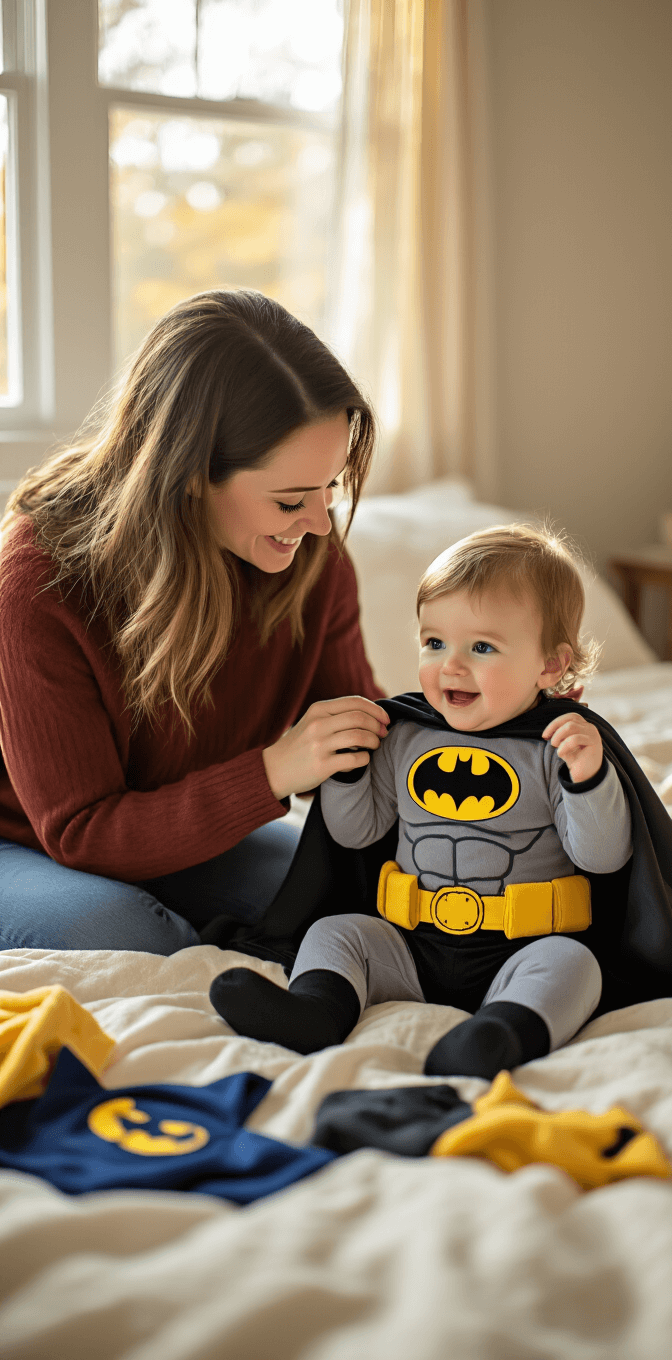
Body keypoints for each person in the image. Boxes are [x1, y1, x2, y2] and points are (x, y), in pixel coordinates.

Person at [0, 289, 389, 953]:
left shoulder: (311, 558)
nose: (322, 524)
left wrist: (507, 724)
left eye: (331, 490)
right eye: (292, 499)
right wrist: (270, 774)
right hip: (26, 839)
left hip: (189, 830)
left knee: (354, 895)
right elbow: (81, 830)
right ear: (187, 475)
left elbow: (363, 729)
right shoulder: (40, 583)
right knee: (126, 934)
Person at [210, 524, 633, 1080]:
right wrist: (348, 768)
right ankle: (316, 1012)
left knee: (575, 966)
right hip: (408, 944)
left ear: (550, 666)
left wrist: (589, 778)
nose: (450, 666)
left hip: (521, 947)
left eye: (482, 647)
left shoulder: (556, 748)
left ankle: (500, 1033)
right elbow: (354, 834)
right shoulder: (405, 737)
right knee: (336, 931)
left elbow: (602, 857)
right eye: (435, 643)